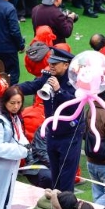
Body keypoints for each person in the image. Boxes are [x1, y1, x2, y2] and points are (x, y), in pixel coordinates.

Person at [19, 48, 85, 193]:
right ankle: (56, 207)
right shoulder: (47, 76)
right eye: (50, 63)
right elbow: (32, 85)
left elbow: (75, 106)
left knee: (67, 177)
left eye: (55, 64)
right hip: (52, 133)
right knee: (55, 175)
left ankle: (66, 208)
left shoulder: (76, 81)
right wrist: (11, 90)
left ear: (66, 65)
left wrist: (58, 91)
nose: (51, 66)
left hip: (69, 135)